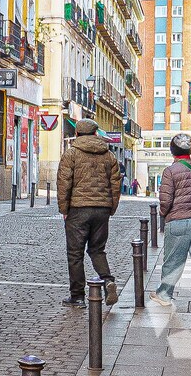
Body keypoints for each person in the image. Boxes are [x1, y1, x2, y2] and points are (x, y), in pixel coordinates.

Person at [56, 119, 120, 308]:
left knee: (75, 253)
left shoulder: (71, 154)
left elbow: (63, 183)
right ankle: (108, 281)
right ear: (95, 134)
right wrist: (111, 208)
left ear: (77, 134)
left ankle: (77, 296)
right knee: (97, 249)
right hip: (102, 210)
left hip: (78, 209)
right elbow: (115, 184)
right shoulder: (109, 155)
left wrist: (64, 209)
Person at [152, 133, 191, 311]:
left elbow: (165, 201)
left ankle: (164, 294)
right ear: (190, 150)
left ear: (173, 151)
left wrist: (164, 214)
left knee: (173, 261)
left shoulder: (170, 171)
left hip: (179, 221)